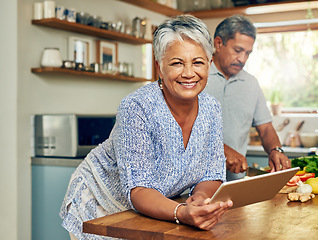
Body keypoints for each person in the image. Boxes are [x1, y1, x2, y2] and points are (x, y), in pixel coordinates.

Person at [59, 15, 232, 240]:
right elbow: (139, 189)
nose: (189, 73)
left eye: (197, 62)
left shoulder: (212, 108)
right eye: (177, 63)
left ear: (209, 64)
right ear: (159, 67)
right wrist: (181, 212)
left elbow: (212, 172)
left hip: (156, 210)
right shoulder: (136, 107)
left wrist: (199, 199)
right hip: (101, 203)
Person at [204, 15, 290, 181]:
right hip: (194, 183)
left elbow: (265, 128)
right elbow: (185, 128)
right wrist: (222, 150)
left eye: (248, 53)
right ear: (218, 44)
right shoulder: (196, 76)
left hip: (235, 181)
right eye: (238, 51)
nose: (242, 59)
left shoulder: (251, 83)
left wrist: (275, 150)